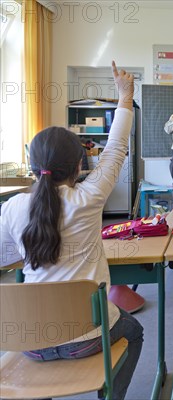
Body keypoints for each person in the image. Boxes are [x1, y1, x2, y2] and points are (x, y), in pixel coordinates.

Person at [0, 61, 144, 400]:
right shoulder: (88, 198)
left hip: (30, 339)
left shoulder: (12, 208)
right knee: (134, 332)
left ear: (32, 166)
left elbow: (6, 259)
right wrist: (125, 97)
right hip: (88, 338)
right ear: (80, 164)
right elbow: (116, 147)